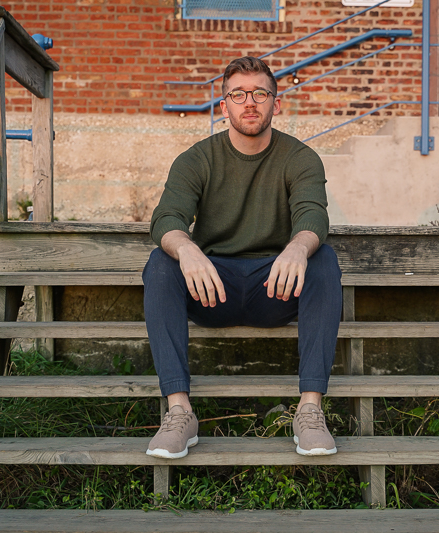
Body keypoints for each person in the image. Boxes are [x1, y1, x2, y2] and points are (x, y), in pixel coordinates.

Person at [143, 56, 342, 460]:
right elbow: (167, 217)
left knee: (323, 258)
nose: (249, 102)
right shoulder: (196, 159)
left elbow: (313, 214)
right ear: (224, 106)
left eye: (260, 94)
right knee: (160, 263)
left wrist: (298, 247)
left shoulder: (300, 158)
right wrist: (186, 249)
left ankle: (309, 411)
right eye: (238, 94)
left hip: (276, 287)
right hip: (213, 289)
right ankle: (179, 412)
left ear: (276, 103)